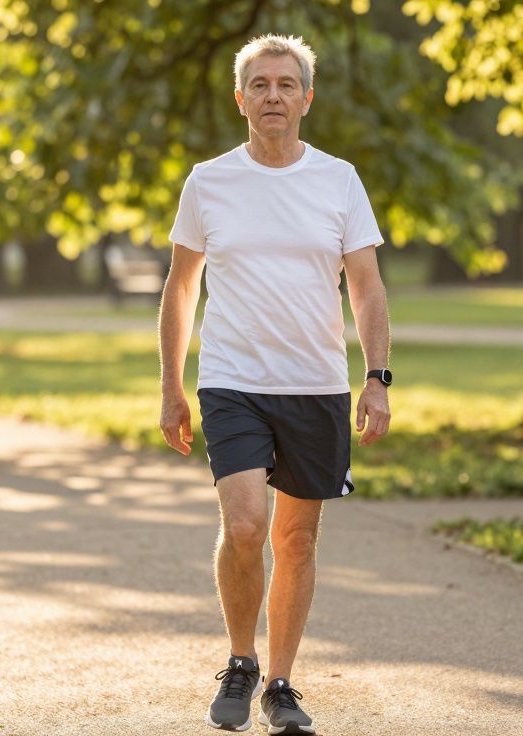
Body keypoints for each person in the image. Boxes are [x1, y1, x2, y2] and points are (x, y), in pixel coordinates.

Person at [158, 34, 392, 735]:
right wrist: (172, 386)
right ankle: (240, 660)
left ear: (306, 99)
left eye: (286, 85)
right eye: (259, 85)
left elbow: (367, 287)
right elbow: (180, 288)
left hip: (315, 385)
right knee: (245, 524)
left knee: (296, 540)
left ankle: (281, 684)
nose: (273, 96)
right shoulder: (208, 182)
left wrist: (376, 378)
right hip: (232, 381)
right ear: (240, 99)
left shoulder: (339, 181)